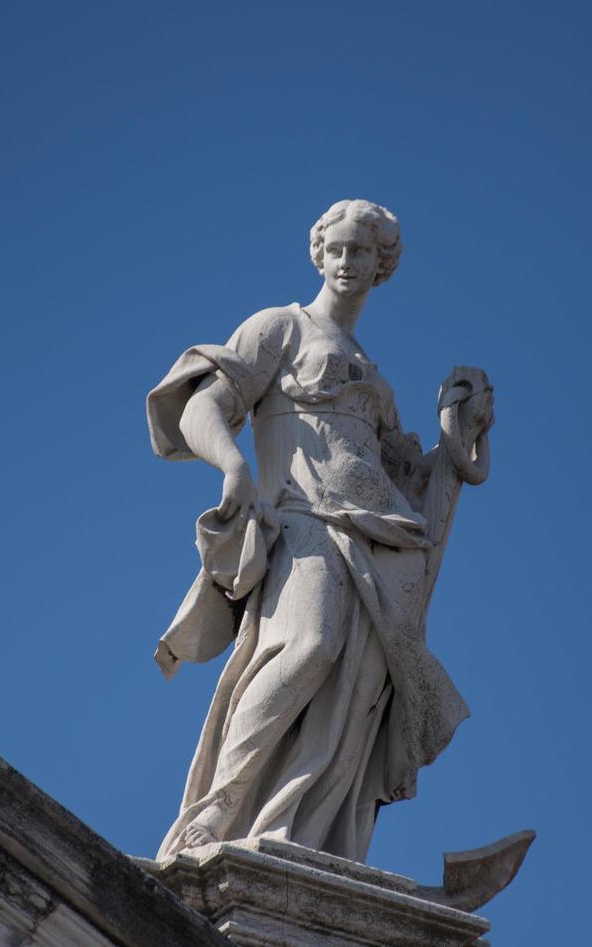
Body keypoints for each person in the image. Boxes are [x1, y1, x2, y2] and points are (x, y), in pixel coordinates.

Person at [147, 199, 470, 863]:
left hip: (376, 545)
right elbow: (204, 406)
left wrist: (455, 433)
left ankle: (307, 836)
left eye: (364, 253)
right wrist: (232, 463)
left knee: (353, 696)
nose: (349, 263)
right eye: (339, 250)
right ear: (319, 254)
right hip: (302, 522)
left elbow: (406, 483)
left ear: (384, 266)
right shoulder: (281, 328)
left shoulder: (375, 379)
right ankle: (216, 815)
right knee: (308, 646)